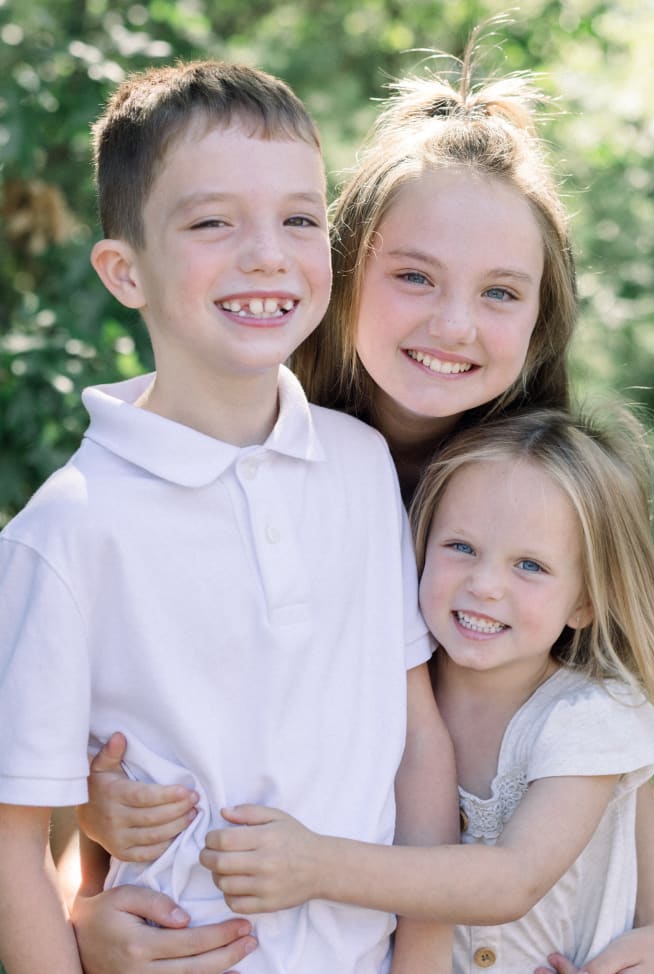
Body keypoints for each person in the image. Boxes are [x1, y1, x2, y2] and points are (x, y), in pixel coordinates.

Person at [70, 39, 654, 974]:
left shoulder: (542, 494)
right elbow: (158, 704)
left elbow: (593, 709)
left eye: (500, 293)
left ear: (540, 318)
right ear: (340, 265)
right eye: (413, 276)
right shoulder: (250, 455)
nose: (453, 326)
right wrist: (89, 880)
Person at [0, 60, 457, 974]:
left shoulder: (361, 466)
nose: (266, 253)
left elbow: (418, 744)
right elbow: (14, 845)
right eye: (213, 222)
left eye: (298, 218)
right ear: (124, 271)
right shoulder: (68, 533)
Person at [191, 407, 654, 974]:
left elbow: (512, 880)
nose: (484, 585)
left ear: (585, 602)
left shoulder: (587, 718)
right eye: (461, 547)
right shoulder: (380, 695)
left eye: (530, 565)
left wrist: (315, 865)